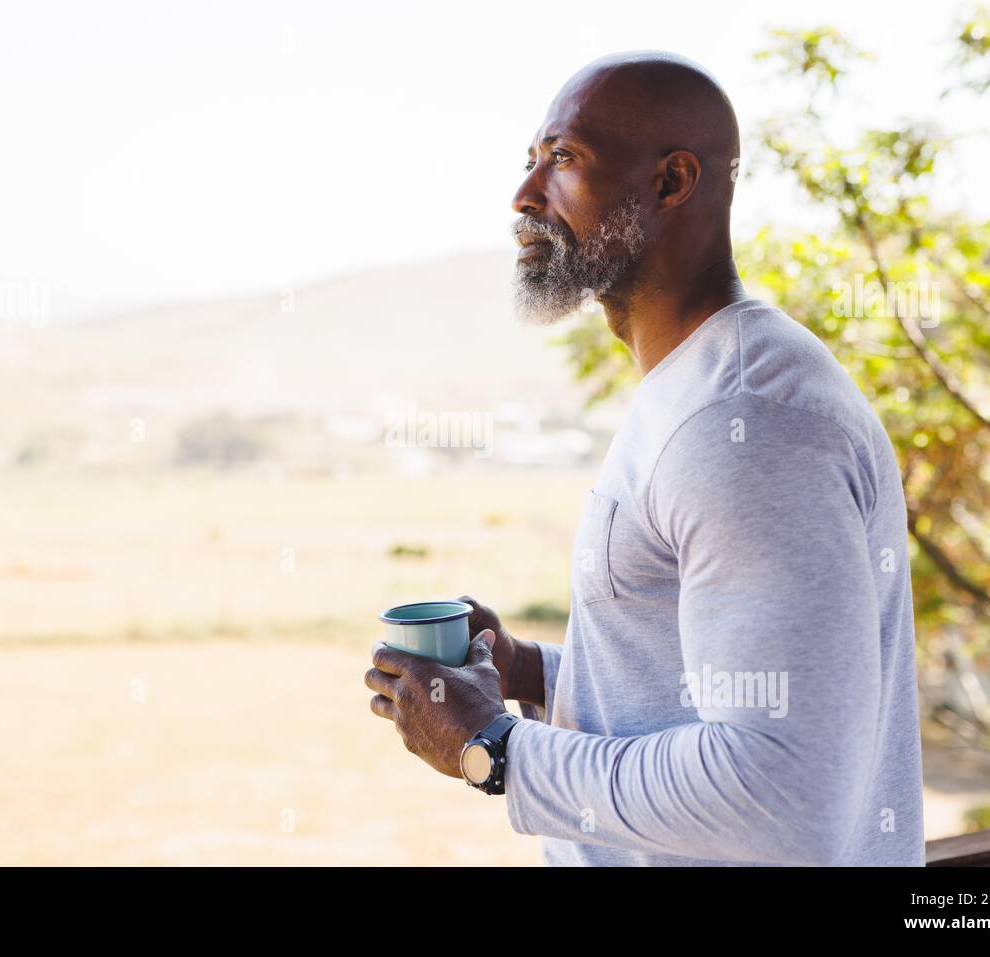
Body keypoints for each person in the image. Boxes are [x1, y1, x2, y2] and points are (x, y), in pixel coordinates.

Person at [365, 50, 925, 866]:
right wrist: (528, 671)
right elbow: (710, 694)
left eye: (562, 159)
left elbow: (776, 798)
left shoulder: (744, 424)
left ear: (671, 183)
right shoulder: (699, 386)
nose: (524, 196)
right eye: (529, 162)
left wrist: (491, 747)